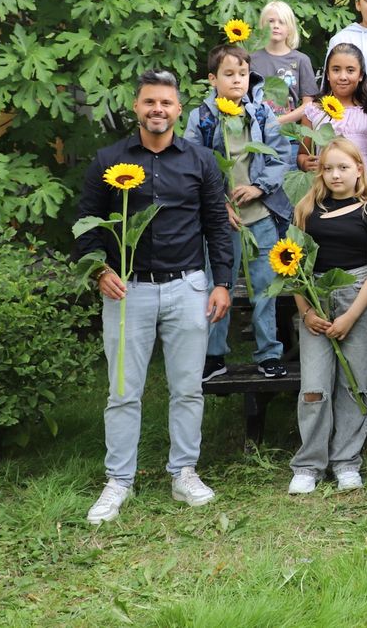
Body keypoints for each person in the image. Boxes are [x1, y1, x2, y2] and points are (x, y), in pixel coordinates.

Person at [79, 69, 233, 525]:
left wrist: (221, 280)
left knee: (188, 387)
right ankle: (118, 481)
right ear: (136, 107)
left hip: (188, 287)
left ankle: (184, 471)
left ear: (178, 108)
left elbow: (217, 227)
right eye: (149, 102)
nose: (158, 110)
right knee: (123, 390)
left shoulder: (201, 161)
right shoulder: (107, 162)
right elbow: (87, 225)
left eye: (166, 103)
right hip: (128, 288)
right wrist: (99, 270)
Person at [287, 138, 367, 494]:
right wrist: (306, 311)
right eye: (328, 168)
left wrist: (350, 317)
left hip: (356, 298)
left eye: (343, 167)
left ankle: (347, 460)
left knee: (355, 384)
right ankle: (309, 464)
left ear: (359, 170)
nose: (335, 174)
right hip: (315, 297)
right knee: (314, 387)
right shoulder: (306, 210)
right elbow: (294, 264)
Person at [187, 44, 293, 381]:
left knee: (265, 287)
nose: (237, 80)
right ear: (212, 79)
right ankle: (214, 354)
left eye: (242, 74)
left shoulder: (261, 112)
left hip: (259, 214)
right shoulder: (201, 118)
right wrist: (218, 202)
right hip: (222, 221)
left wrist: (259, 186)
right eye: (228, 74)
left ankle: (268, 353)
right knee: (219, 285)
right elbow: (192, 165)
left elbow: (280, 156)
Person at [250, 0, 318, 166]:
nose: (276, 26)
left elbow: (309, 106)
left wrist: (279, 121)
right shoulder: (251, 59)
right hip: (257, 138)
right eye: (271, 21)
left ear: (290, 28)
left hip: (289, 138)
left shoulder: (301, 60)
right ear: (262, 26)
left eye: (282, 22)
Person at [299, 42, 367, 169]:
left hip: (364, 182)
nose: (343, 77)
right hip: (327, 182)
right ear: (328, 75)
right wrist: (304, 163)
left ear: (361, 75)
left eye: (350, 70)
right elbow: (303, 153)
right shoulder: (314, 111)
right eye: (336, 70)